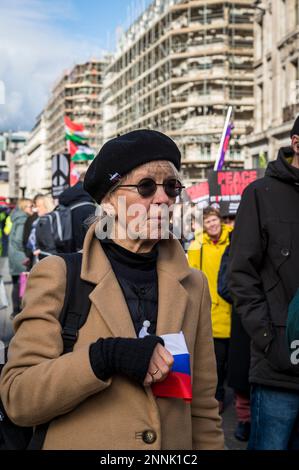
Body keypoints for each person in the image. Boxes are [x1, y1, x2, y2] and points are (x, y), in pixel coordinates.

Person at [0, 130, 224, 450]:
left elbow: (202, 408)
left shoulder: (194, 285)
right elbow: (18, 398)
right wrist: (102, 358)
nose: (162, 198)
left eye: (172, 187)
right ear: (109, 201)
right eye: (146, 186)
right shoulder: (59, 276)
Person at [229, 115, 299, 450]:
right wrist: (270, 341)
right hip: (278, 372)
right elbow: (241, 275)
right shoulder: (260, 193)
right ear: (296, 145)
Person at [188, 206, 232, 413]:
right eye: (208, 222)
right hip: (213, 312)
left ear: (220, 220)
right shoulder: (198, 246)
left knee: (237, 359)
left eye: (214, 220)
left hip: (236, 308)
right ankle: (218, 396)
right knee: (217, 361)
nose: (212, 224)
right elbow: (193, 279)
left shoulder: (235, 239)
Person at [57, 171, 95, 252]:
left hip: (72, 216)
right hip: (91, 212)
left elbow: (61, 199)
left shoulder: (69, 191)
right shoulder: (92, 188)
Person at [7, 199, 33, 318]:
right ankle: (19, 311)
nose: (32, 208)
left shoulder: (16, 217)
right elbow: (19, 240)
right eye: (30, 206)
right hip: (20, 257)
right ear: (23, 208)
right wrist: (27, 251)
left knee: (16, 284)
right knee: (22, 284)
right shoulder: (23, 220)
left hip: (14, 256)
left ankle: (15, 311)